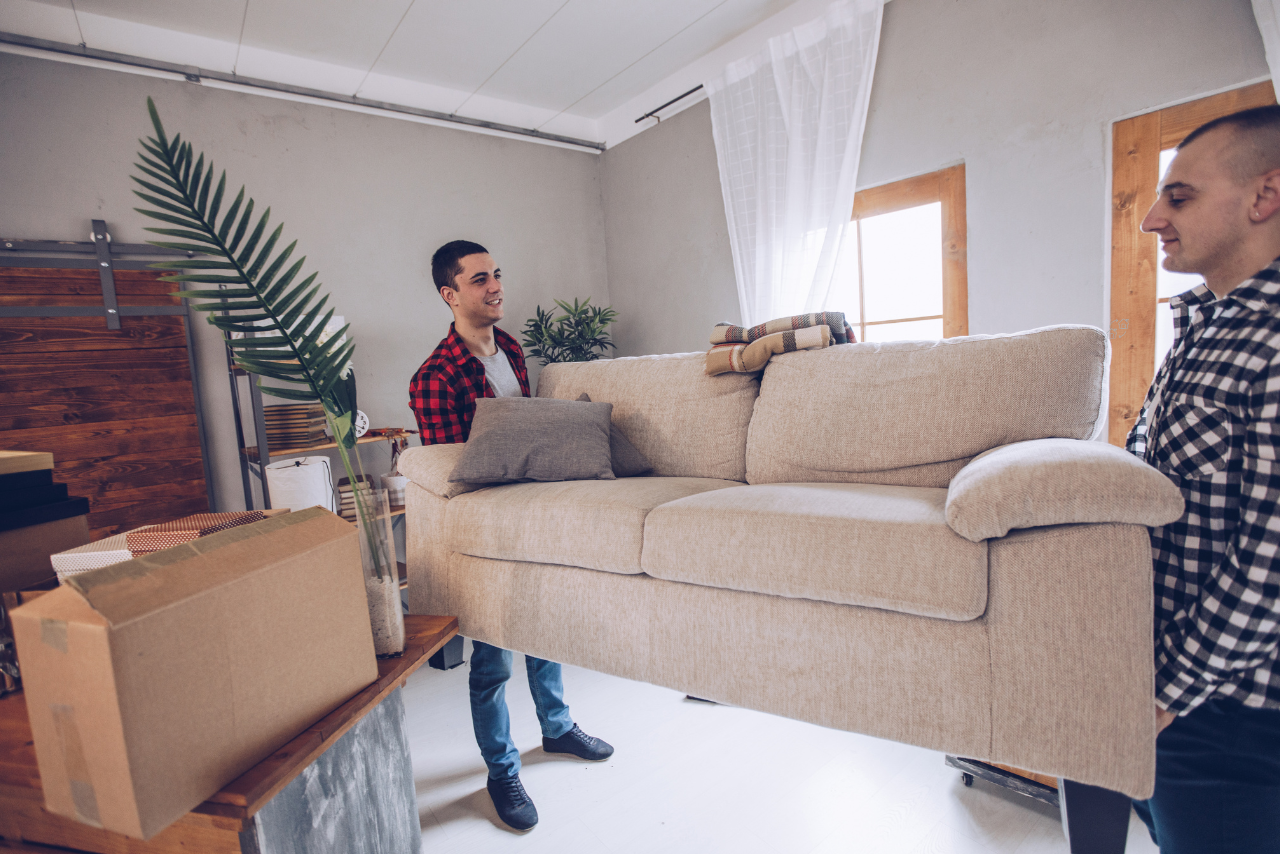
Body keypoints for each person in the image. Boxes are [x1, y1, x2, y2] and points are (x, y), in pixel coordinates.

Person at [408, 240, 614, 832]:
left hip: (531, 514)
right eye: (479, 279)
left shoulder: (514, 351)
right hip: (484, 530)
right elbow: (455, 472)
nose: (495, 285)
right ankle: (502, 771)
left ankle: (557, 729)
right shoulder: (434, 377)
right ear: (450, 294)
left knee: (543, 630)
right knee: (492, 660)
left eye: (495, 274)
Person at [1127, 106, 1280, 852]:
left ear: (1265, 195)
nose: (1152, 218)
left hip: (1233, 715)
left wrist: (1166, 691)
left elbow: (1270, 565)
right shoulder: (1206, 327)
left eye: (1180, 197)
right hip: (1176, 696)